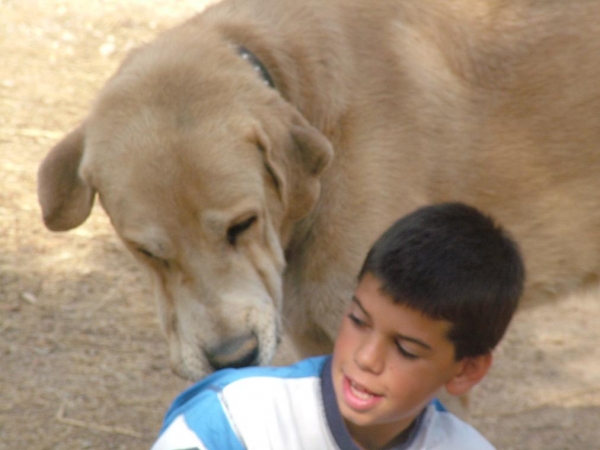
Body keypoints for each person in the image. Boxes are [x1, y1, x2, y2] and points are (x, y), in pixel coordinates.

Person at [151, 202, 525, 450]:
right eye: (359, 321)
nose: (366, 358)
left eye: (406, 349)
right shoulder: (232, 424)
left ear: (466, 370)